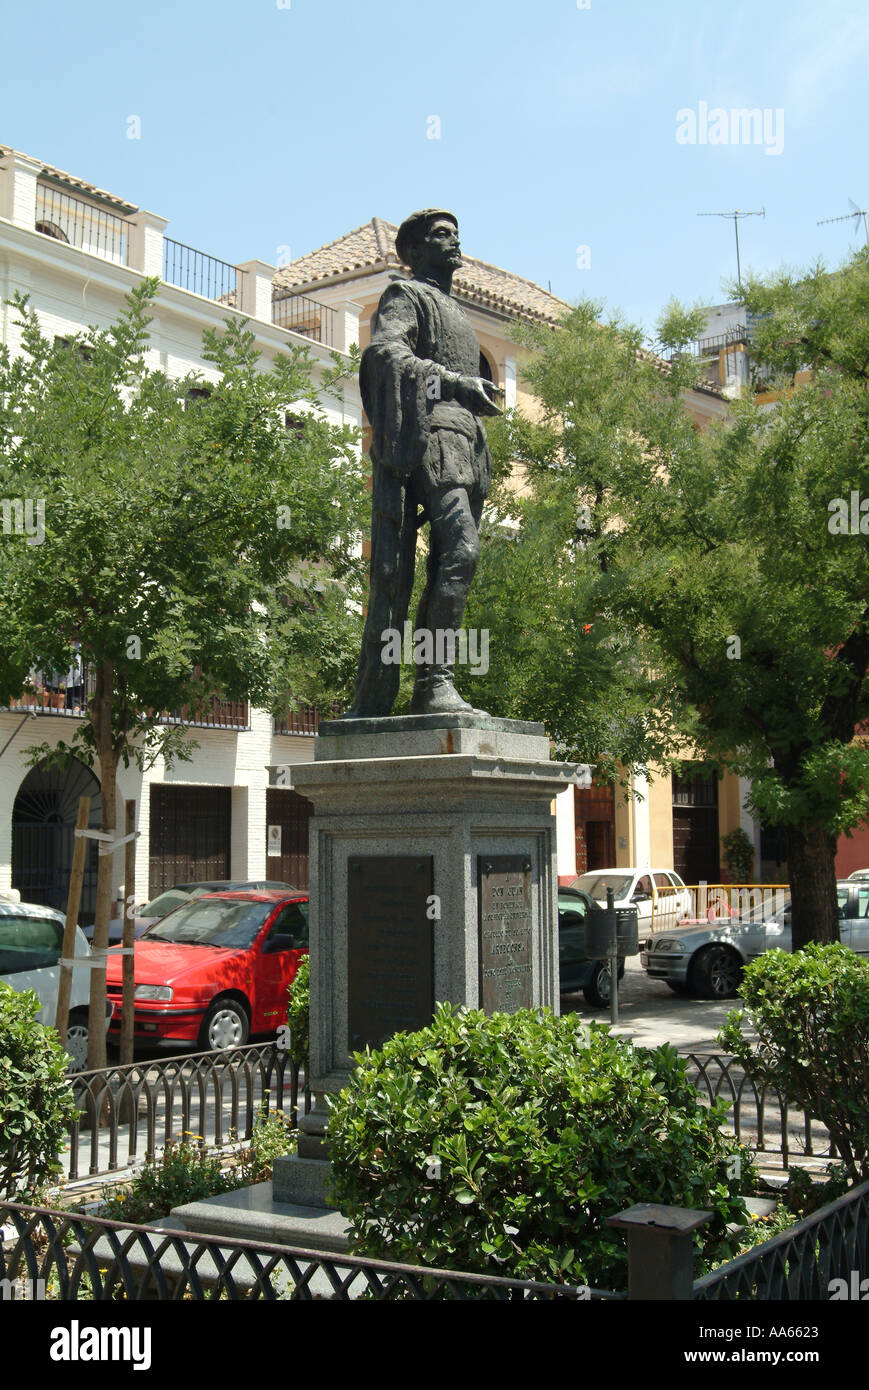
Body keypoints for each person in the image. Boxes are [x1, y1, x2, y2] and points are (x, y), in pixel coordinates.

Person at [342, 209, 502, 718]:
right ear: (413, 252)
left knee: (449, 563)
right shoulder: (406, 296)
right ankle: (435, 682)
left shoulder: (458, 312)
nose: (454, 241)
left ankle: (433, 686)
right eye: (440, 235)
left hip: (468, 446)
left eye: (456, 233)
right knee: (462, 551)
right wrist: (456, 383)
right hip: (433, 438)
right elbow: (386, 354)